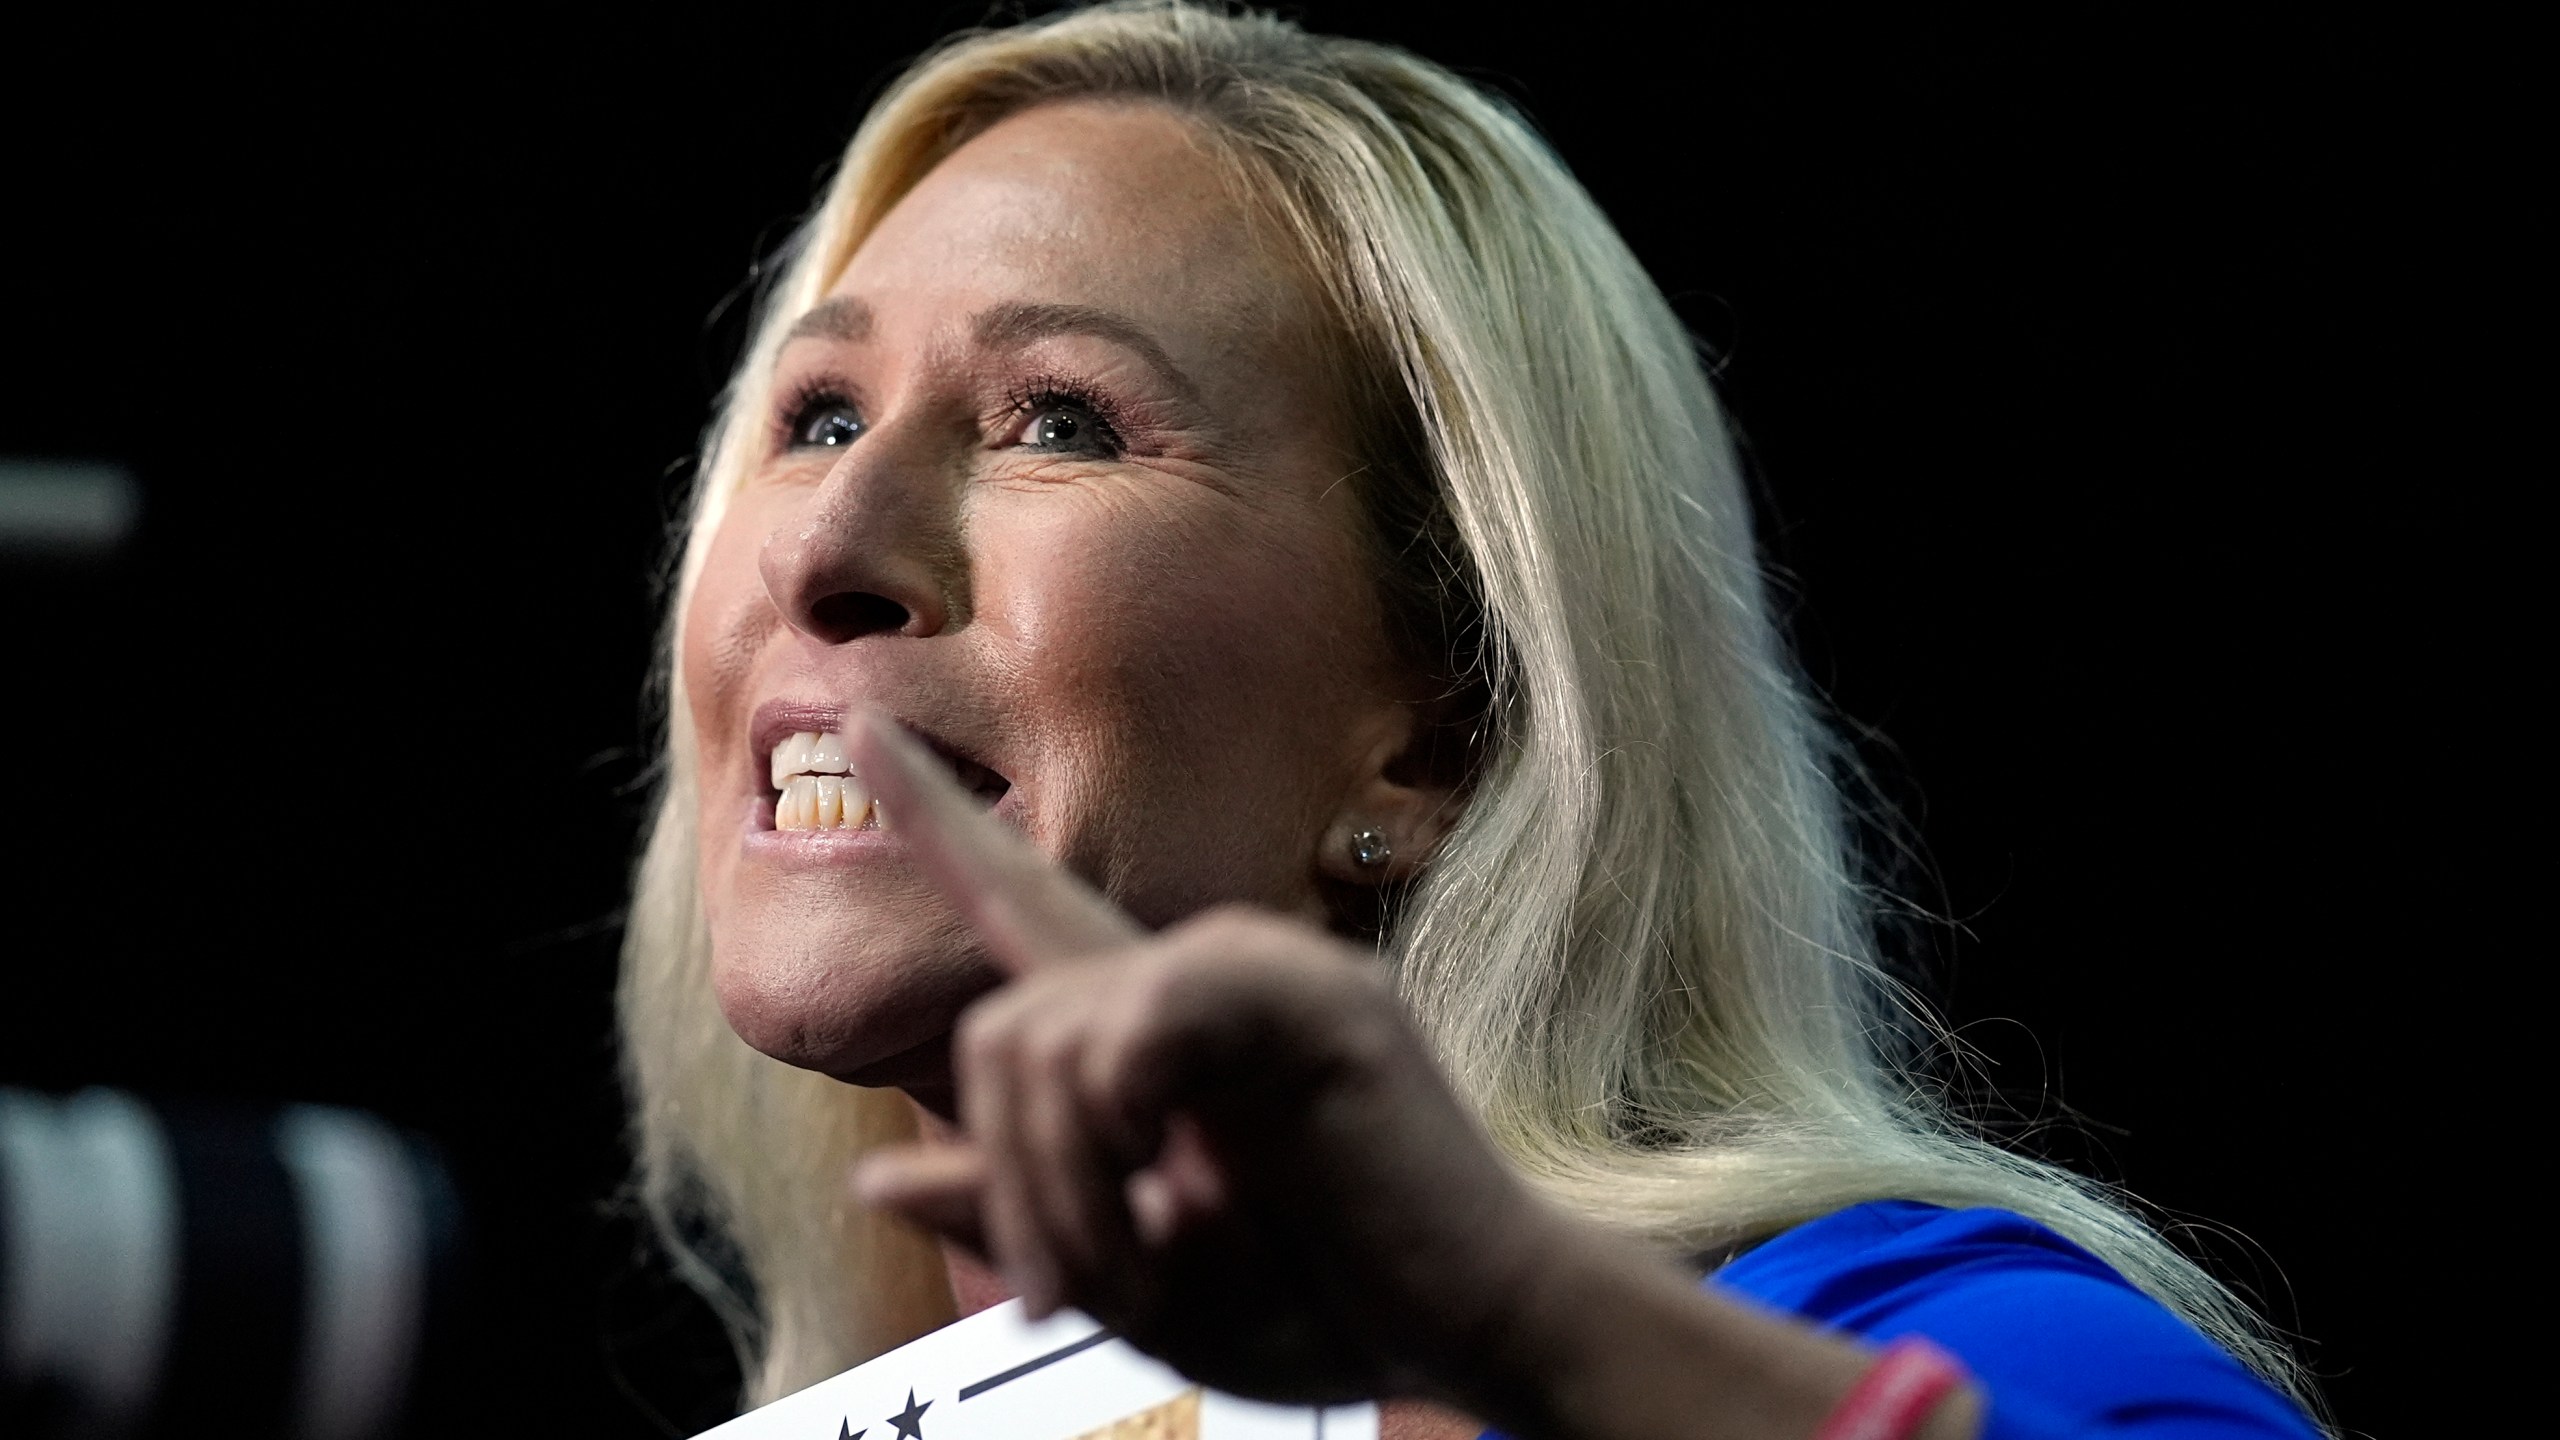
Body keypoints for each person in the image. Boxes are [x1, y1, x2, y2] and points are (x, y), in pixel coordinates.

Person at [617, 4, 2327, 1437]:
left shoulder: (1926, 1339)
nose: (828, 551)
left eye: (1060, 422)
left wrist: (1512, 1331)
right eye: (821, 418)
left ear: (1438, 737)